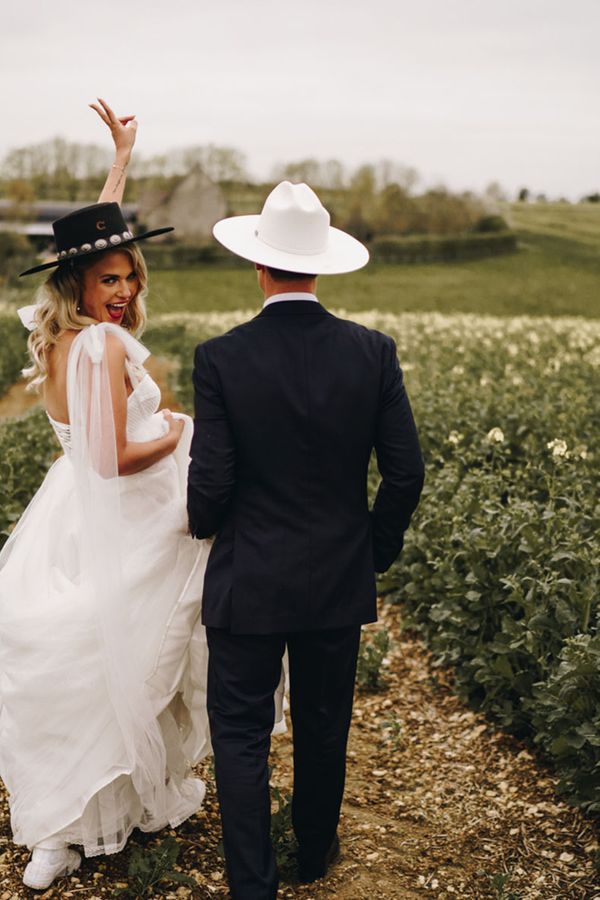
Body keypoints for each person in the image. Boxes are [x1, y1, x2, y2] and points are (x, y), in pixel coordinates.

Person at [187, 181, 425, 899]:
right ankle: (315, 856)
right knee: (324, 725)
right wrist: (370, 551)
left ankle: (252, 885)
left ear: (258, 266)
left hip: (248, 576)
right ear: (319, 265)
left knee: (239, 733)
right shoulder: (373, 352)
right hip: (335, 577)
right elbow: (406, 473)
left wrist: (203, 525)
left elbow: (215, 479)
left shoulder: (219, 358)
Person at [0, 101, 214, 891]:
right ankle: (62, 825)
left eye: (128, 277)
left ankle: (83, 817)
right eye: (108, 279)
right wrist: (178, 430)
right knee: (110, 655)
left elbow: (88, 236)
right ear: (80, 286)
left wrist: (119, 160)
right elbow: (111, 455)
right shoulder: (94, 347)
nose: (121, 290)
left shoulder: (62, 332)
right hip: (116, 507)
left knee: (105, 657)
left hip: (74, 512)